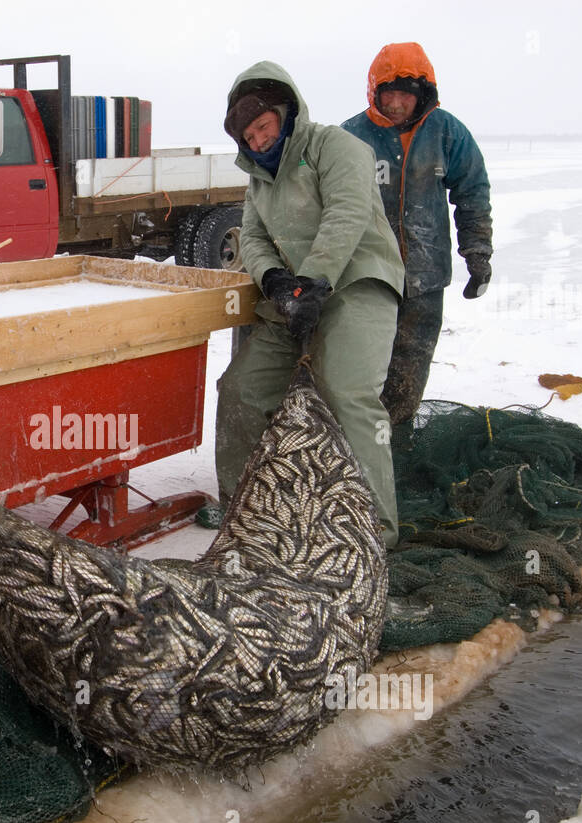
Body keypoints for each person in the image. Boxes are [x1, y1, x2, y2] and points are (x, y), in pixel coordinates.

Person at [207, 61, 405, 548]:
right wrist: (274, 279)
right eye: (247, 136)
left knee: (345, 390)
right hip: (293, 298)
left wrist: (314, 282)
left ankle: (376, 530)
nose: (256, 140)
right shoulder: (259, 179)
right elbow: (252, 237)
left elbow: (347, 212)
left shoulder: (336, 146)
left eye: (262, 127)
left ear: (285, 111)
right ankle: (243, 509)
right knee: (240, 389)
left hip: (357, 283)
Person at [341, 42, 493, 425]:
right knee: (361, 364)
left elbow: (472, 190)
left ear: (421, 94)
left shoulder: (447, 133)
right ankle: (357, 438)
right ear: (374, 92)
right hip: (368, 277)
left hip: (426, 277)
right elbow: (327, 202)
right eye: (387, 94)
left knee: (410, 365)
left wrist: (477, 252)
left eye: (404, 95)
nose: (395, 104)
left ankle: (397, 437)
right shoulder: (351, 136)